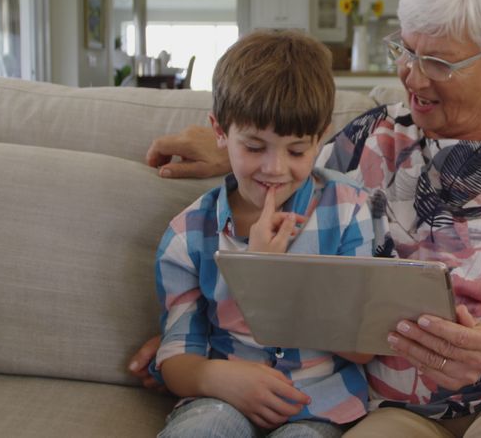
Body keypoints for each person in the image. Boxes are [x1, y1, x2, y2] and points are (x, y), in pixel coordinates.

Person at [139, 0, 481, 437]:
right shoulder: (374, 136)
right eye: (407, 50)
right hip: (395, 410)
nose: (412, 76)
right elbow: (285, 164)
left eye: (438, 61)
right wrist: (196, 350)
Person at [150, 30, 381, 438]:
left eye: (296, 151)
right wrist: (215, 379)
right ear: (220, 133)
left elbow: (362, 346)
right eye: (255, 147)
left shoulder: (347, 211)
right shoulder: (188, 234)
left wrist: (269, 276)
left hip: (319, 406)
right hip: (221, 398)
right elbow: (175, 359)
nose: (275, 169)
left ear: (320, 137)